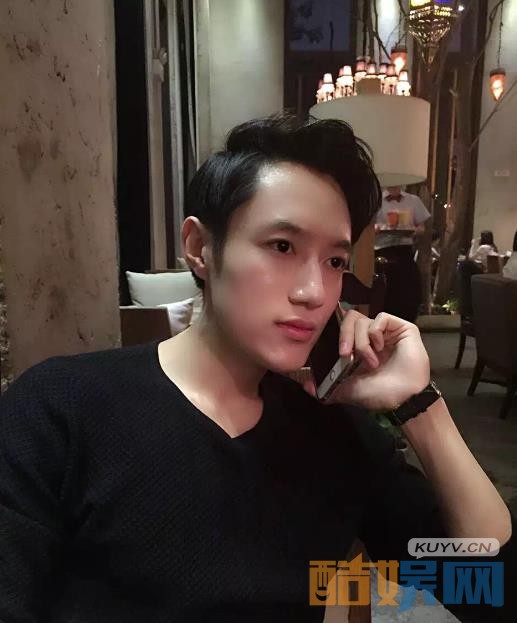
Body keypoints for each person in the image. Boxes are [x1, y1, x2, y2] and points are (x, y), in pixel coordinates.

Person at [0, 114, 515, 622]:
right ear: (200, 248)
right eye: (282, 247)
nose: (313, 292)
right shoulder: (64, 408)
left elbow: (487, 587)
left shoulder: (335, 434)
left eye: (335, 262)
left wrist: (418, 405)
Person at [374, 185, 431, 322]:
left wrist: (413, 230)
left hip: (405, 250)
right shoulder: (376, 201)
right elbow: (369, 226)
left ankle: (408, 322)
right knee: (385, 289)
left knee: (409, 288)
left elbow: (422, 228)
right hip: (383, 250)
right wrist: (377, 228)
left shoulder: (413, 200)